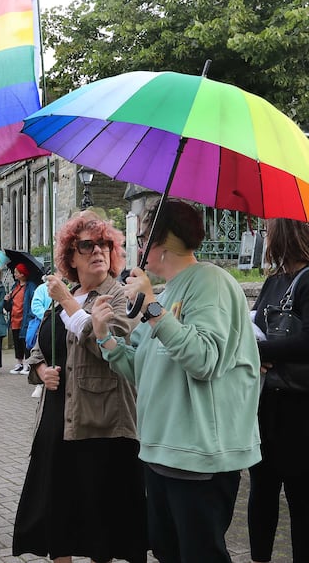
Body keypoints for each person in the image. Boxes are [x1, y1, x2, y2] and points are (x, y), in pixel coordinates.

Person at [91, 199, 261, 562]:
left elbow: (204, 360)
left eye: (141, 236)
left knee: (200, 554)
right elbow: (141, 370)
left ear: (159, 243)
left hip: (196, 456)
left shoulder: (210, 282)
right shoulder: (165, 293)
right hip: (159, 451)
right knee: (168, 552)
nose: (137, 245)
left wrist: (153, 310)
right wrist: (105, 337)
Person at [13, 210, 147, 563]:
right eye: (87, 245)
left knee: (97, 516)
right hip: (58, 418)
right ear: (70, 256)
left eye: (105, 244)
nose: (98, 251)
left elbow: (113, 345)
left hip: (99, 421)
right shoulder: (68, 291)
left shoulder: (120, 295)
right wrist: (41, 369)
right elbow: (40, 344)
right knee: (59, 511)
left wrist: (68, 303)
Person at [248, 218, 309, 563]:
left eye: (270, 229)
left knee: (300, 499)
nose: (266, 235)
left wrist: (261, 352)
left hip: (299, 410)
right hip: (266, 406)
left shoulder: (308, 280)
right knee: (262, 491)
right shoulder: (274, 281)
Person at [4, 263, 37, 375]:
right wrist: (7, 299)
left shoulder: (31, 286)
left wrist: (31, 316)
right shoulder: (15, 286)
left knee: (25, 342)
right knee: (17, 342)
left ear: (22, 274)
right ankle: (19, 363)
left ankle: (27, 364)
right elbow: (9, 305)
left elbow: (33, 301)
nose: (14, 274)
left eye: (16, 272)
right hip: (14, 319)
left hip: (25, 319)